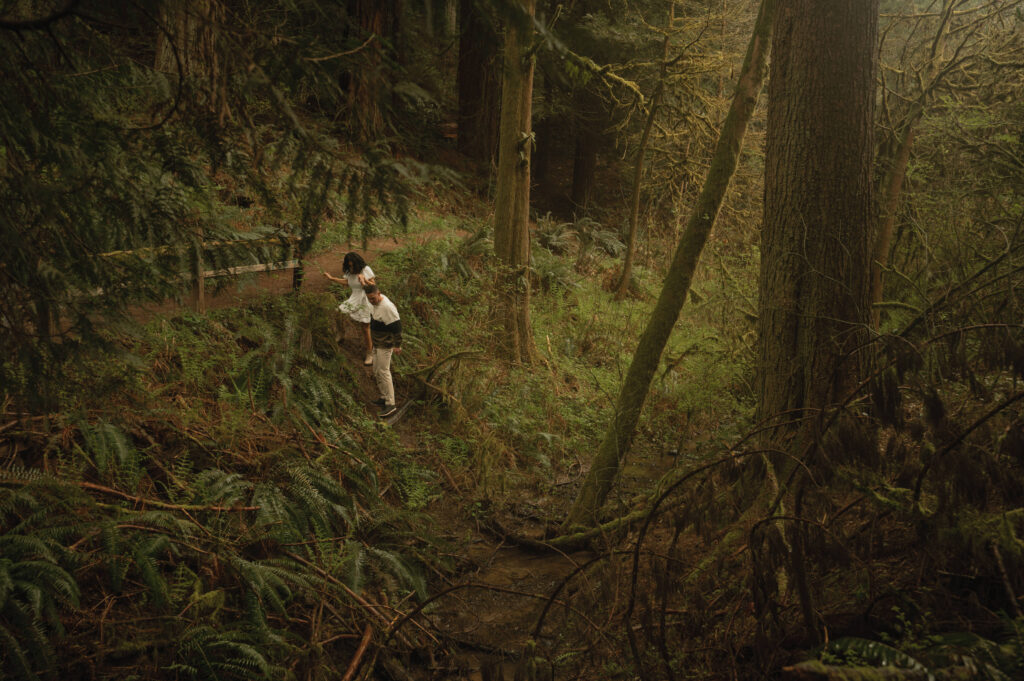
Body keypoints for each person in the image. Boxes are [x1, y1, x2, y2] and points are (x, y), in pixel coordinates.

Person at [323, 252, 375, 365]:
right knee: (338, 312)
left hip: (365, 298)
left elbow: (373, 285)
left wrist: (364, 280)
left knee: (365, 327)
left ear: (358, 263)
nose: (351, 267)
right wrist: (332, 278)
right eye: (349, 265)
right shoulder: (349, 271)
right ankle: (341, 334)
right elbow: (347, 282)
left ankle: (370, 353)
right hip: (354, 297)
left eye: (352, 265)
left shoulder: (365, 269)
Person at [364, 283, 402, 418]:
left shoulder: (387, 307)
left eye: (373, 298)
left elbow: (397, 326)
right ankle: (383, 397)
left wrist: (397, 345)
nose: (371, 301)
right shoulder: (375, 304)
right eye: (369, 299)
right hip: (376, 343)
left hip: (385, 344)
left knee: (384, 371)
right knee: (376, 370)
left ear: (379, 294)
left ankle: (391, 404)